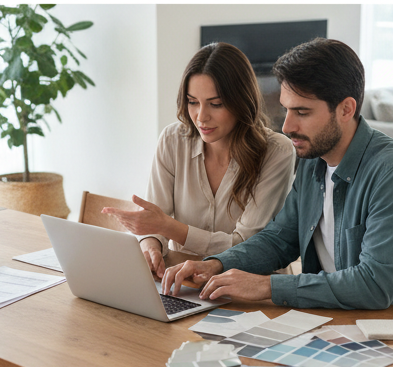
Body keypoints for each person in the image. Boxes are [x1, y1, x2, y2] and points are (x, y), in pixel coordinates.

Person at [162, 37, 393, 318]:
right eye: (286, 110)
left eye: (302, 112)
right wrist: (216, 265)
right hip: (340, 321)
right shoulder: (312, 161)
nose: (287, 126)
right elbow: (279, 239)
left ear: (346, 109)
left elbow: (374, 285)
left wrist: (267, 286)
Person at [102, 42, 296, 277]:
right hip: (183, 282)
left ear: (241, 102)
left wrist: (168, 227)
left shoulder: (277, 152)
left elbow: (246, 246)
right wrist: (151, 246)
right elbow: (154, 223)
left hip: (250, 285)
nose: (201, 117)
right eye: (192, 102)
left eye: (216, 104)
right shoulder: (173, 140)